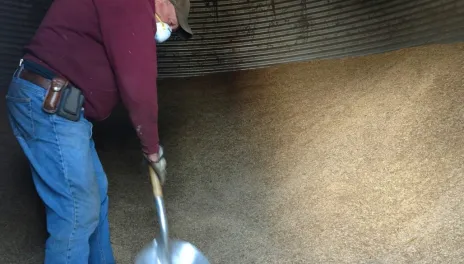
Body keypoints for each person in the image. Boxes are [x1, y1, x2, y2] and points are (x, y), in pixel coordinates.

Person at [4, 0, 193, 263]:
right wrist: (152, 150)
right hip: (49, 101)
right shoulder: (133, 4)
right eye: (174, 21)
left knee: (96, 195)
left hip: (64, 108)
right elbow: (138, 86)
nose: (170, 30)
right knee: (77, 211)